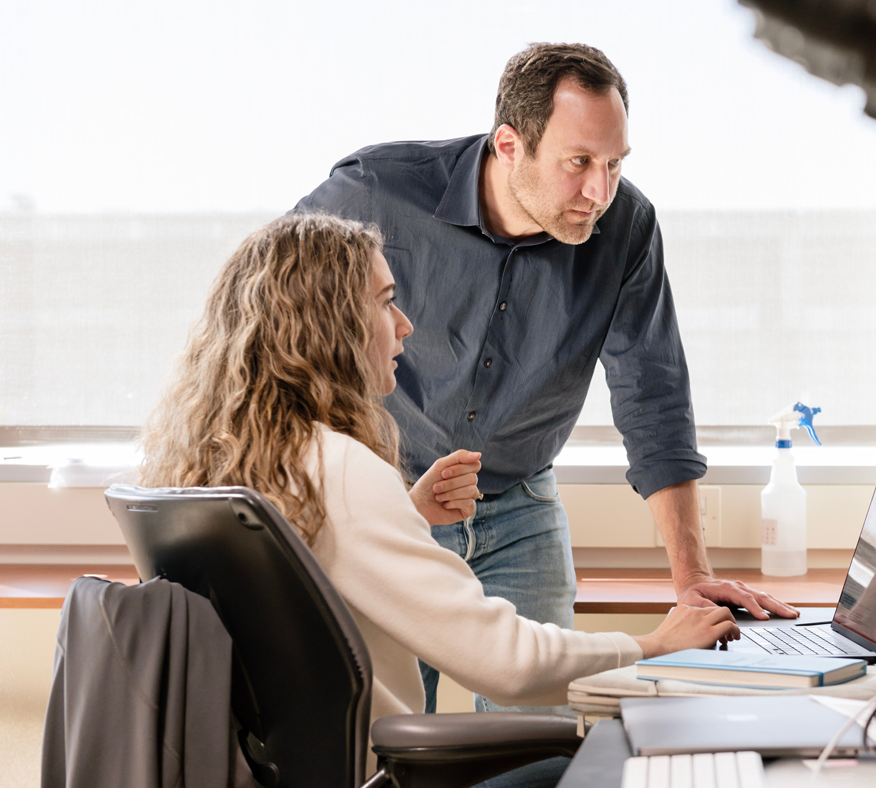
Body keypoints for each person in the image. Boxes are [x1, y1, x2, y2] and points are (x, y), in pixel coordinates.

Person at [139, 214, 740, 784]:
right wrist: (655, 644)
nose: (404, 324)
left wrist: (408, 514)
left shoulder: (232, 462)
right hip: (380, 773)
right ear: (326, 326)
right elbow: (508, 662)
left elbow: (311, 579)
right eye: (383, 302)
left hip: (275, 773)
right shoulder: (342, 470)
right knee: (631, 756)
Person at [295, 42, 796, 715]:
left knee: (544, 739)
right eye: (578, 163)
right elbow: (277, 326)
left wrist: (691, 578)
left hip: (521, 506)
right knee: (388, 731)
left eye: (615, 164)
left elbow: (653, 396)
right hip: (393, 503)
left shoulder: (627, 227)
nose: (600, 191)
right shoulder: (372, 193)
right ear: (509, 145)